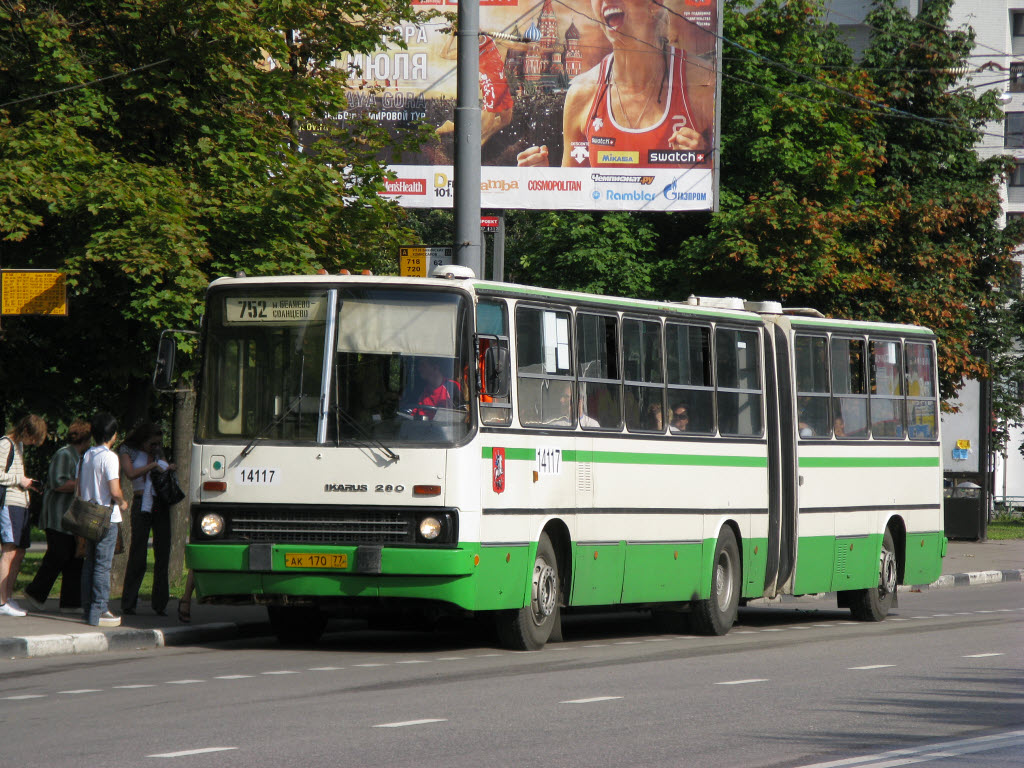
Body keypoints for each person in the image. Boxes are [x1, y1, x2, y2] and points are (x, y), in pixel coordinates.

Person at [517, 0, 711, 168]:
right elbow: (573, 192)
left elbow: (732, 185)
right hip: (605, 213)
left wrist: (702, 162)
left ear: (655, 4)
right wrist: (540, 180)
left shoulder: (703, 82)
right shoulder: (582, 93)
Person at [23, 419, 91, 613]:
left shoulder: (79, 456)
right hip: (57, 517)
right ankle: (35, 592)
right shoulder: (64, 454)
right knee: (58, 555)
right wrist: (84, 482)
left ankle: (70, 602)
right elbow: (57, 483)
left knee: (75, 558)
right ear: (85, 438)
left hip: (72, 518)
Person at [119, 422, 175, 616]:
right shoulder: (128, 450)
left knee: (162, 553)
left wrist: (167, 467)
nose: (155, 447)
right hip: (141, 501)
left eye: (158, 444)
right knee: (138, 553)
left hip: (160, 502)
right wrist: (153, 465)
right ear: (143, 440)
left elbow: (165, 466)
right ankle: (129, 602)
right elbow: (130, 473)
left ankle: (160, 603)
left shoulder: (159, 452)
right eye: (152, 444)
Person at [437, 31, 529, 146]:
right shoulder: (468, 51)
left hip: (502, 84)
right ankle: (456, 129)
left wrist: (524, 45)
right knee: (482, 128)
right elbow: (443, 54)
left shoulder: (489, 38)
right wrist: (451, 34)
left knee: (505, 120)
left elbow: (515, 45)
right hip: (491, 86)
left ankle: (480, 137)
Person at [79, 412, 129, 627]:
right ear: (113, 435)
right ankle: (100, 609)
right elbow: (114, 490)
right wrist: (123, 502)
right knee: (103, 565)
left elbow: (80, 486)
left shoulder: (87, 455)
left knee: (89, 562)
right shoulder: (110, 457)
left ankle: (88, 608)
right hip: (107, 516)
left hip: (88, 513)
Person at [0, 414, 47, 616]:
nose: (34, 443)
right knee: (9, 551)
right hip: (9, 503)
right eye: (33, 438)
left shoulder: (18, 446)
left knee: (19, 552)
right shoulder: (5, 444)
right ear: (26, 431)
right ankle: (1, 602)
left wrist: (28, 484)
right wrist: (21, 480)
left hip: (21, 503)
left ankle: (8, 597)